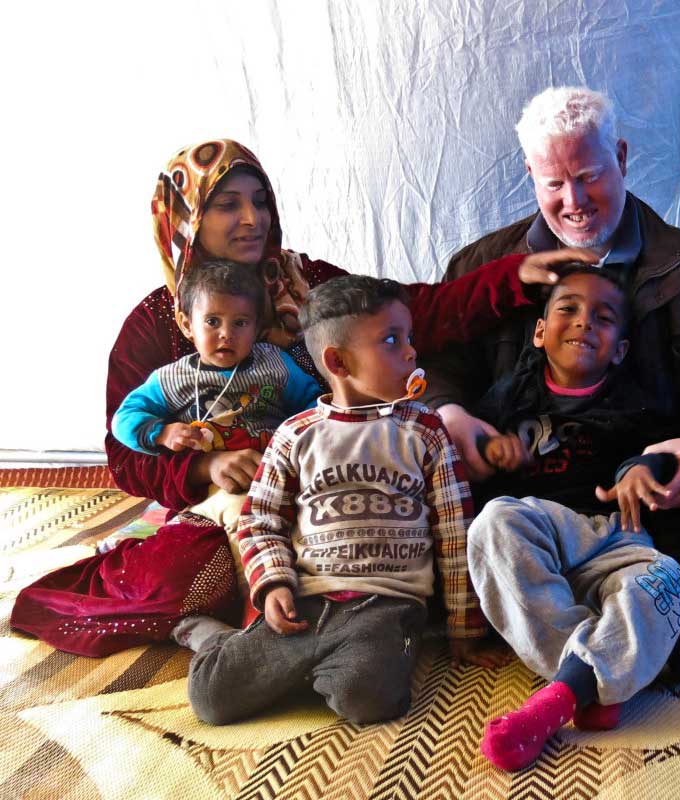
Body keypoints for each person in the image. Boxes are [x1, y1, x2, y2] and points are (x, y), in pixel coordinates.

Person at [12, 138, 590, 657]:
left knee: (439, 502)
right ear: (185, 219)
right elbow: (125, 457)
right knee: (194, 574)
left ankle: (349, 624)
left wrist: (517, 277)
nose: (251, 218)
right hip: (229, 500)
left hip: (334, 470)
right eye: (227, 204)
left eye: (259, 201)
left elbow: (413, 312)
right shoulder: (157, 323)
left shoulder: (302, 281)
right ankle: (270, 641)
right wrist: (205, 464)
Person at [421, 87, 680, 619]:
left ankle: (531, 593)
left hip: (640, 493)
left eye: (589, 175)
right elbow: (438, 366)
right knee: (414, 525)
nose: (573, 201)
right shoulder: (482, 264)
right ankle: (628, 593)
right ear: (530, 173)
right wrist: (450, 414)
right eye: (554, 183)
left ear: (620, 157)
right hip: (516, 495)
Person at [185, 275, 505, 725]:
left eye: (408, 337)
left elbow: (456, 535)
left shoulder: (425, 430)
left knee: (370, 700)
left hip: (385, 606)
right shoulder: (295, 435)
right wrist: (274, 583)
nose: (411, 351)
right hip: (306, 599)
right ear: (338, 361)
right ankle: (220, 642)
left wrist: (464, 628)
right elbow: (260, 521)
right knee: (211, 699)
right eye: (392, 340)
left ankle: (318, 668)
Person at [466, 267, 680, 771]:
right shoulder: (511, 395)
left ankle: (564, 694)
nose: (584, 322)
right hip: (541, 538)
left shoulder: (635, 400)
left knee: (666, 579)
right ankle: (603, 673)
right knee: (493, 523)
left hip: (613, 537)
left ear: (621, 349)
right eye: (568, 308)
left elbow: (665, 448)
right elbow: (472, 448)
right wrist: (490, 447)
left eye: (603, 318)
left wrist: (640, 467)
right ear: (540, 331)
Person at [111, 259, 323, 538]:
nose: (226, 334)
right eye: (212, 321)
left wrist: (304, 443)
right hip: (215, 490)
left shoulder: (276, 364)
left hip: (278, 476)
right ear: (187, 325)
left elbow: (313, 403)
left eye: (240, 323)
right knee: (249, 523)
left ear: (257, 328)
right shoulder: (172, 379)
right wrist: (162, 433)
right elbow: (124, 418)